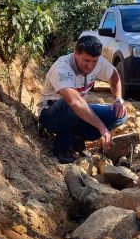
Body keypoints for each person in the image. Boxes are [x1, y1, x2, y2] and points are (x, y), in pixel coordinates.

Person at [37, 35, 128, 163]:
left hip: (76, 112)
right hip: (52, 114)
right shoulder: (62, 68)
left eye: (94, 61)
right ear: (76, 54)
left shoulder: (98, 63)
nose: (90, 66)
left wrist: (118, 100)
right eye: (86, 61)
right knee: (69, 103)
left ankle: (76, 137)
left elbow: (114, 75)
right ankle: (61, 149)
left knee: (120, 114)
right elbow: (74, 102)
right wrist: (102, 128)